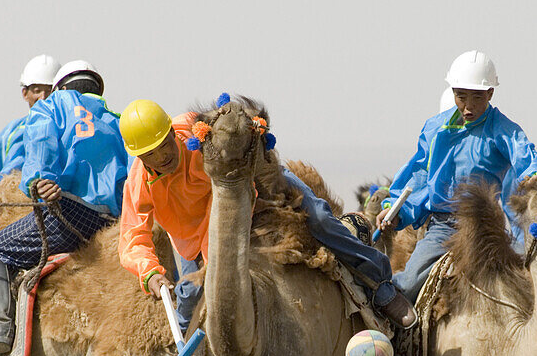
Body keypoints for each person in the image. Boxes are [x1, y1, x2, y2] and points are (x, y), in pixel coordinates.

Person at [116, 99, 417, 330]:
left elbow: (237, 140)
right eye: (150, 154)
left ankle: (382, 287)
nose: (162, 157)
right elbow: (132, 236)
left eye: (165, 145)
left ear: (172, 131)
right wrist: (151, 274)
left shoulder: (198, 134)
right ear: (139, 157)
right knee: (188, 300)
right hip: (192, 237)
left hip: (249, 190)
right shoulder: (139, 182)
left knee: (320, 218)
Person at [0, 61, 129, 356]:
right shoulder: (116, 119)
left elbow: (41, 151)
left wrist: (39, 182)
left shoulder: (53, 106)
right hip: (113, 225)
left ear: (59, 88)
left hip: (70, 216)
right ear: (98, 89)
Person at [378, 51, 537, 302]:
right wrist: (396, 211)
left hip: (485, 228)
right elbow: (418, 176)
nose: (468, 106)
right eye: (461, 97)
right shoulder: (434, 128)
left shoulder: (502, 129)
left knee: (524, 292)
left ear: (490, 94)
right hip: (443, 226)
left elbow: (526, 156)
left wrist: (535, 176)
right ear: (453, 93)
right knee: (409, 283)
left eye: (477, 97)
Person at [0, 54, 60, 198]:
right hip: (9, 207)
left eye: (49, 91)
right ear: (25, 94)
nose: (43, 97)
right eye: (37, 90)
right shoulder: (11, 132)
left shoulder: (65, 130)